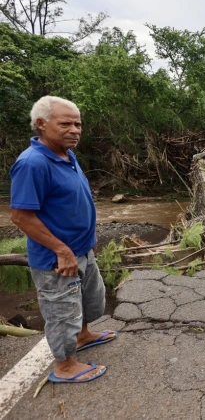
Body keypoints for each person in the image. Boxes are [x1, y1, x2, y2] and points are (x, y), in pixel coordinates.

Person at [10, 96, 115, 384]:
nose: (75, 130)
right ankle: (65, 366)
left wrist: (87, 236)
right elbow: (21, 216)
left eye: (78, 124)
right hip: (56, 258)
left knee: (90, 300)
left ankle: (83, 336)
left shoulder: (67, 155)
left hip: (81, 249)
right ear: (41, 125)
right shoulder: (32, 163)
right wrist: (61, 249)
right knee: (61, 311)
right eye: (66, 123)